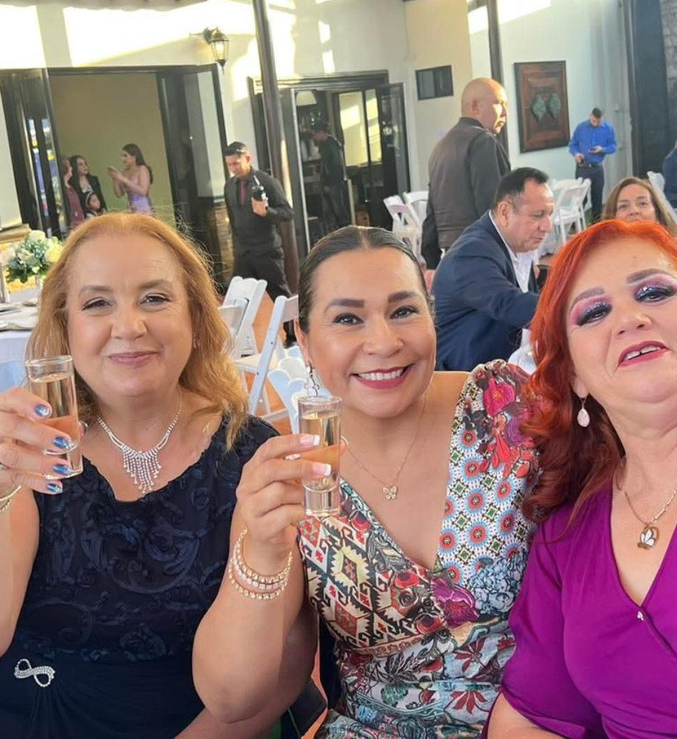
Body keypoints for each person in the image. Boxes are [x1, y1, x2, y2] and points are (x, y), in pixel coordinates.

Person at [194, 225, 542, 738]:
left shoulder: (505, 410)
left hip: (537, 720)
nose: (383, 342)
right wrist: (261, 551)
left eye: (403, 311)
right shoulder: (293, 478)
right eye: (347, 319)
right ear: (305, 342)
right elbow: (231, 696)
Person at [487, 187, 677, 736]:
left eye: (654, 292)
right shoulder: (568, 535)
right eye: (594, 313)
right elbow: (529, 717)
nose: (629, 318)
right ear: (575, 376)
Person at [0, 214, 322, 737]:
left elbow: (288, 654)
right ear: (66, 327)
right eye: (97, 303)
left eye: (154, 298)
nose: (129, 327)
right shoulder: (30, 451)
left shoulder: (253, 454)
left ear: (195, 317)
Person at [432, 167, 553, 371]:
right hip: (467, 379)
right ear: (505, 212)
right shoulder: (471, 253)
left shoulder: (516, 242)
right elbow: (509, 303)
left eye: (549, 214)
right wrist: (576, 308)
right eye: (537, 215)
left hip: (508, 365)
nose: (547, 226)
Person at [423, 78, 510, 267]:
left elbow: (432, 211)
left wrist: (431, 262)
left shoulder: (441, 147)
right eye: (498, 103)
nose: (505, 113)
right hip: (483, 253)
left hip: (452, 255)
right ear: (475, 106)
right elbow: (492, 205)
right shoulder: (482, 141)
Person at [223, 141, 294, 305]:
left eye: (236, 163)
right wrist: (236, 249)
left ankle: (293, 323)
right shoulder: (229, 186)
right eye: (229, 165)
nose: (233, 169)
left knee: (280, 295)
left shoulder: (267, 182)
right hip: (243, 253)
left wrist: (267, 212)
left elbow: (288, 213)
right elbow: (233, 220)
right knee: (238, 300)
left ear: (247, 159)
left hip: (266, 251)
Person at [601, 175, 677, 257]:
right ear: (612, 217)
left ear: (657, 213)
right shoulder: (603, 256)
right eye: (623, 206)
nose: (634, 211)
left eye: (642, 203)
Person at [568, 107, 617, 220]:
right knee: (581, 198)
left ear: (603, 118)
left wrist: (602, 149)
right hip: (583, 167)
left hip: (597, 168)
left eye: (598, 122)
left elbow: (613, 146)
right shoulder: (581, 127)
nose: (595, 123)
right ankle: (578, 223)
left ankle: (596, 222)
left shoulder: (608, 129)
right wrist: (576, 154)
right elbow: (572, 145)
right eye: (593, 121)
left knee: (597, 197)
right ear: (590, 116)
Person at [311, 121, 351, 233]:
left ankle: (344, 232)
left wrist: (327, 182)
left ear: (321, 132)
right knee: (336, 209)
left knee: (338, 209)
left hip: (334, 182)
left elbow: (334, 166)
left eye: (315, 134)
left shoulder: (330, 146)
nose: (314, 137)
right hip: (333, 182)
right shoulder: (330, 144)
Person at [108, 143, 154, 215]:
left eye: (125, 156)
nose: (123, 159)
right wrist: (115, 179)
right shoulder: (124, 172)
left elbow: (143, 191)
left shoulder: (142, 169)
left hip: (145, 210)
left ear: (134, 157)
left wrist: (124, 179)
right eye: (122, 156)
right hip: (132, 210)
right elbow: (119, 194)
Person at [60, 157, 85, 228]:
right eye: (69, 166)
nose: (71, 168)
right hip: (73, 226)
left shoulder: (69, 187)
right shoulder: (63, 189)